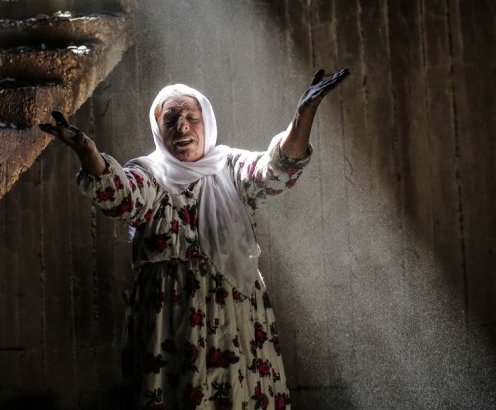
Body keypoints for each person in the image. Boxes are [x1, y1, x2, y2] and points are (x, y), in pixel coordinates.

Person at [40, 69, 349, 409]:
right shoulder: (150, 174)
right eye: (170, 119)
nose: (182, 126)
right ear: (159, 131)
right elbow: (120, 195)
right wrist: (87, 150)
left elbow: (276, 169)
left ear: (207, 123)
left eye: (191, 117)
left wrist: (302, 116)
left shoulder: (230, 168)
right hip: (169, 323)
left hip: (234, 320)